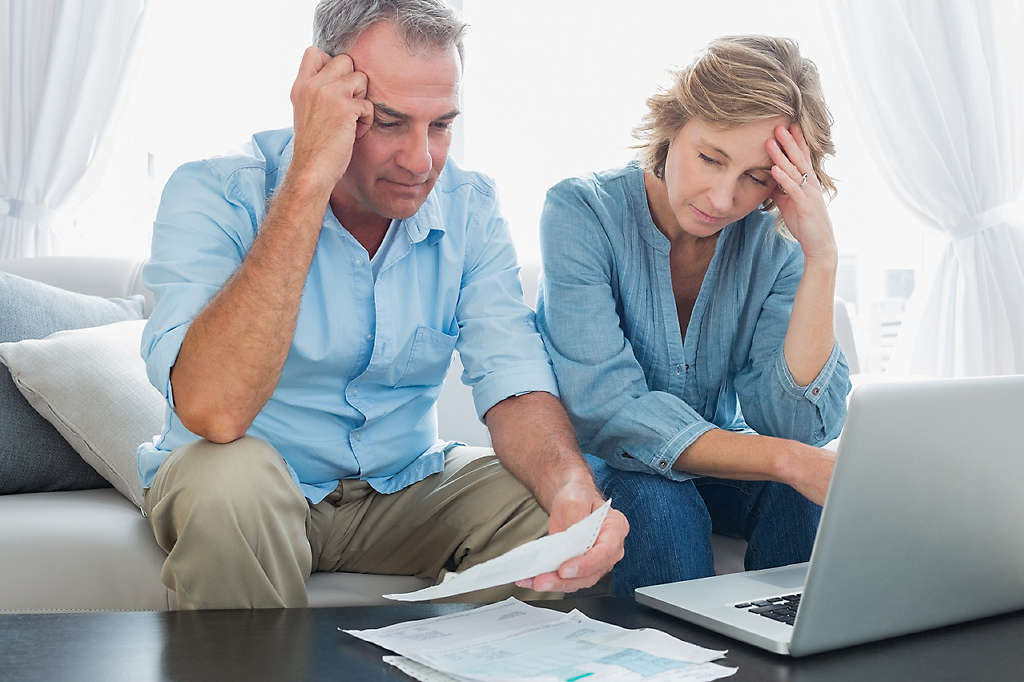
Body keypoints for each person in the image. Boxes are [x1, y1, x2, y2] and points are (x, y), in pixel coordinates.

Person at [137, 0, 626, 610]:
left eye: (441, 125)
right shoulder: (214, 193)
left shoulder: (470, 208)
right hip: (252, 490)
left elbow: (513, 380)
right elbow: (214, 413)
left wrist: (572, 489)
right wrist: (311, 175)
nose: (421, 161)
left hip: (404, 484)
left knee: (553, 512)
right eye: (390, 123)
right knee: (226, 482)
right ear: (322, 95)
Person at [535, 35, 851, 597]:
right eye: (711, 158)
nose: (724, 199)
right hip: (611, 468)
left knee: (804, 495)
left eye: (756, 177)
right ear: (672, 124)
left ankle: (790, 650)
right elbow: (609, 411)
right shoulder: (581, 211)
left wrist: (821, 257)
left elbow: (794, 425)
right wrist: (785, 460)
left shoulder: (775, 244)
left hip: (721, 460)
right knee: (658, 499)